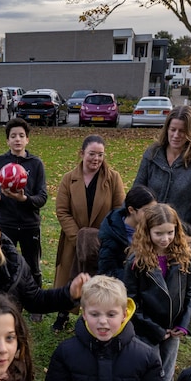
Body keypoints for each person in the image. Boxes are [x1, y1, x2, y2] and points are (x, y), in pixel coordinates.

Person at [123, 203, 191, 381]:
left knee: (167, 370)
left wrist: (183, 324)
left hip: (174, 328)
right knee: (151, 371)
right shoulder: (136, 261)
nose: (165, 239)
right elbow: (130, 301)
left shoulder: (185, 256)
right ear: (147, 232)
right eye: (158, 233)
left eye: (170, 232)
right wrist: (155, 329)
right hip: (147, 329)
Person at [100, 186, 191, 315]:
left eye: (170, 232)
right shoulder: (118, 240)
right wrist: (144, 280)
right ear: (131, 210)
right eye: (147, 210)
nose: (165, 239)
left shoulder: (173, 245)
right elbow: (109, 273)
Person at [52, 134, 125, 332]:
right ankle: (64, 313)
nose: (96, 159)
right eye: (92, 154)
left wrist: (102, 238)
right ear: (82, 153)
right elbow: (62, 210)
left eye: (100, 155)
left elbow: (120, 211)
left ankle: (93, 317)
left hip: (103, 241)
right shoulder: (69, 179)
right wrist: (79, 238)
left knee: (98, 281)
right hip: (72, 240)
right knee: (70, 277)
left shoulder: (113, 178)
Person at [0, 118, 49, 313]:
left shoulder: (35, 164)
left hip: (30, 224)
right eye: (13, 136)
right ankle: (2, 303)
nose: (17, 140)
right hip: (5, 223)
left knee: (32, 266)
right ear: (7, 140)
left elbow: (42, 197)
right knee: (2, 264)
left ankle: (36, 307)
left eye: (21, 136)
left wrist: (24, 200)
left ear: (27, 139)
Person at [132, 105, 191, 243]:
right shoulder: (153, 154)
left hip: (180, 238)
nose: (176, 135)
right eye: (173, 130)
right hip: (148, 236)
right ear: (167, 129)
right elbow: (136, 191)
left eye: (182, 131)